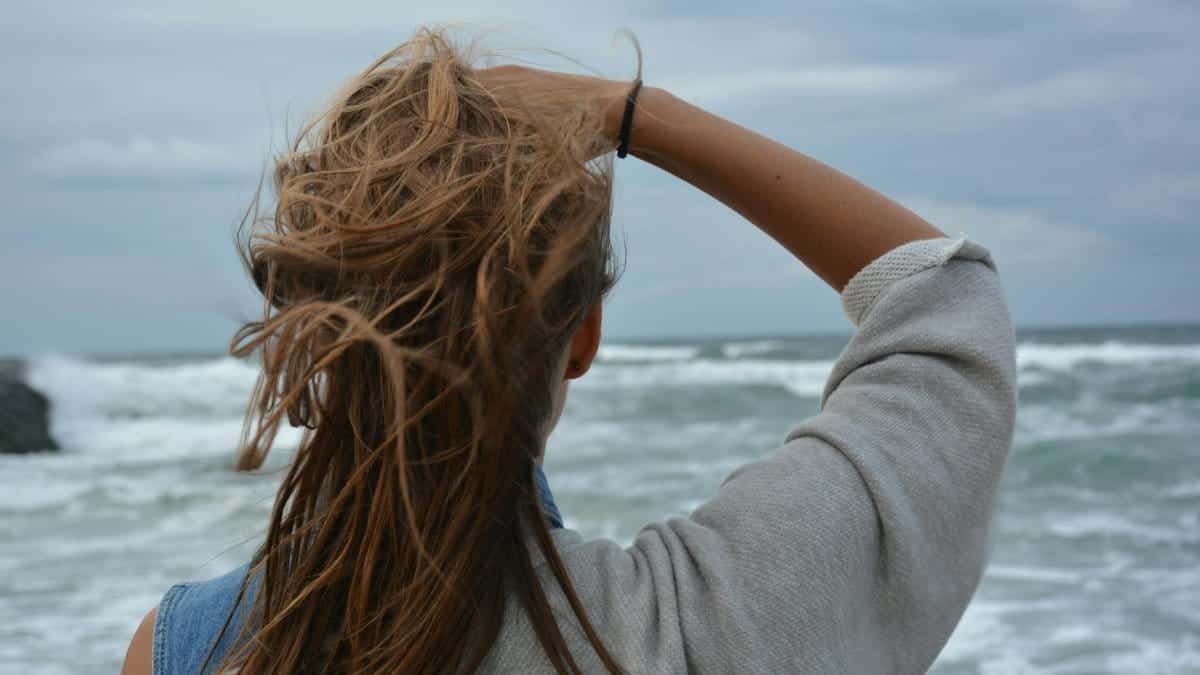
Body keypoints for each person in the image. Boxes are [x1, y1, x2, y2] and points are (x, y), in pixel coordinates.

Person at [121, 26, 1016, 675]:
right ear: (581, 337)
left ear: (315, 334)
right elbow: (944, 300)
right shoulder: (700, 628)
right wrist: (636, 116)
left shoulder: (189, 650)